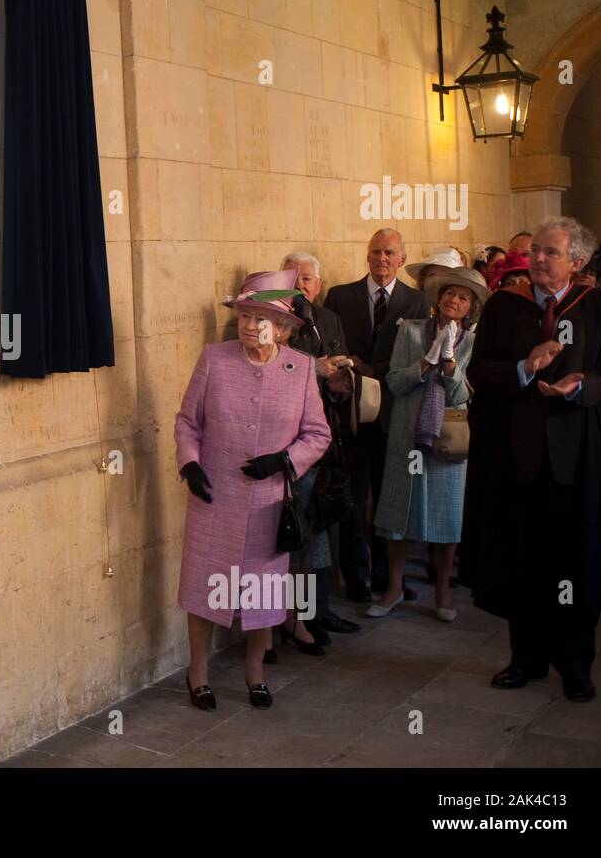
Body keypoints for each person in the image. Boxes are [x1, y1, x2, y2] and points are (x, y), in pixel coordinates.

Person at [463, 217, 601, 702]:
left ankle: (574, 665)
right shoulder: (505, 308)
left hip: (577, 456)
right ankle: (525, 659)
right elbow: (479, 371)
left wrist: (582, 387)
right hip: (518, 454)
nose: (538, 259)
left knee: (576, 563)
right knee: (522, 559)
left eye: (551, 252)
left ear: (576, 262)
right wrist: (523, 369)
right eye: (536, 252)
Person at [175, 269, 331, 711]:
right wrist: (190, 464)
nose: (249, 325)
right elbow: (187, 421)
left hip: (268, 501)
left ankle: (255, 671)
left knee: (262, 594)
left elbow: (318, 435)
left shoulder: (299, 369)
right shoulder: (214, 359)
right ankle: (198, 672)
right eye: (244, 314)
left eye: (261, 318)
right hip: (213, 495)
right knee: (206, 586)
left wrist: (284, 462)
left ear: (281, 329)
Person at [368, 267, 488, 622]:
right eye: (450, 293)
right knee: (398, 512)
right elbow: (394, 381)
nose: (454, 300)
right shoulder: (411, 330)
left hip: (448, 439)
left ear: (471, 308)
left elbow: (465, 394)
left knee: (447, 514)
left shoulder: (473, 342)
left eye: (463, 297)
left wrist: (450, 365)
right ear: (438, 298)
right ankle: (394, 587)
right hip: (407, 434)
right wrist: (426, 362)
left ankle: (442, 591)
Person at [323, 229, 429, 603]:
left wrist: (366, 367)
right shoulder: (340, 296)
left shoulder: (416, 302)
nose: (382, 259)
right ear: (367, 256)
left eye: (389, 253)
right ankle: (356, 581)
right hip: (351, 413)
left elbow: (411, 356)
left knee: (389, 498)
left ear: (402, 258)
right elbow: (333, 346)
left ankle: (389, 579)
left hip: (393, 413)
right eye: (375, 252)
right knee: (353, 497)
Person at [281, 252, 360, 646]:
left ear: (318, 284)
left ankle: (320, 611)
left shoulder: (327, 319)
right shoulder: (278, 321)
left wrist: (339, 376)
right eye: (294, 278)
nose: (302, 285)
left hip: (326, 434)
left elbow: (342, 369)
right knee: (298, 532)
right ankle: (296, 619)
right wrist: (317, 367)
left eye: (308, 279)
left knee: (323, 526)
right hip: (289, 443)